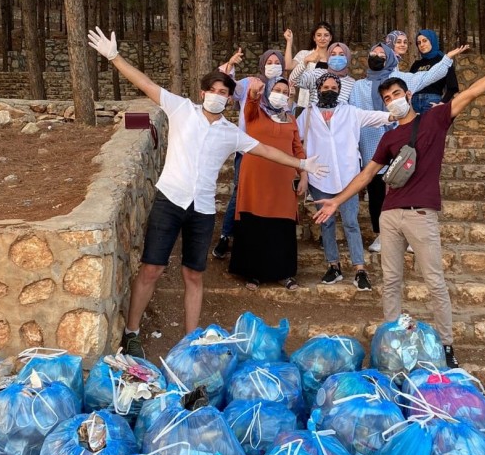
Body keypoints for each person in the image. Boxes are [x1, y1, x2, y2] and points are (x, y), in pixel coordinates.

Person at [87, 27, 328, 358]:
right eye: (212, 90)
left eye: (223, 92)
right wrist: (114, 57)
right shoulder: (181, 109)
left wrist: (302, 164)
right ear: (203, 93)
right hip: (170, 200)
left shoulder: (231, 133)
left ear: (230, 99)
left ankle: (190, 341)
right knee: (151, 269)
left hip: (201, 209)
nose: (217, 95)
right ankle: (131, 332)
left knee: (194, 275)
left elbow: (267, 151)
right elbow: (144, 83)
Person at [313, 41, 485, 369]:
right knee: (391, 280)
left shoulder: (435, 119)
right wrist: (336, 200)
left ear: (408, 96)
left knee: (434, 280)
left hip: (421, 214)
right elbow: (367, 174)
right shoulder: (389, 138)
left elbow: (472, 92)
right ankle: (392, 341)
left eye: (396, 96)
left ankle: (447, 344)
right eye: (386, 99)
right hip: (390, 216)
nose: (392, 102)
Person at [350, 40, 469, 252]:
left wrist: (447, 58)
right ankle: (381, 235)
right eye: (373, 53)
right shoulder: (359, 86)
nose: (376, 56)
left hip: (401, 145)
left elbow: (428, 76)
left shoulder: (400, 80)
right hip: (372, 145)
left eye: (381, 54)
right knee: (377, 193)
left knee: (406, 187)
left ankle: (411, 235)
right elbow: (352, 116)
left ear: (389, 58)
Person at [297, 72, 402, 291]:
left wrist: (398, 114)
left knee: (351, 223)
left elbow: (378, 117)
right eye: (325, 87)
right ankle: (333, 266)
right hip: (319, 178)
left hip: (348, 178)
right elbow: (294, 140)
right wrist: (303, 174)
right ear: (318, 89)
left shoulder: (351, 112)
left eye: (334, 88)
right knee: (326, 224)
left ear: (339, 91)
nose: (329, 90)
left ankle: (359, 269)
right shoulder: (306, 115)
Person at [212, 34, 294, 259]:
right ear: (262, 64)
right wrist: (229, 65)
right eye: (269, 62)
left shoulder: (286, 89)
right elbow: (227, 87)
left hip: (276, 153)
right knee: (240, 192)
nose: (273, 66)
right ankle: (226, 236)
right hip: (248, 149)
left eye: (278, 63)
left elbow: (290, 119)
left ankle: (263, 238)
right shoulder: (250, 83)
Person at [229, 76, 307, 291]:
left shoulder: (290, 119)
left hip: (283, 179)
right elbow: (252, 101)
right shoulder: (255, 113)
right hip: (255, 176)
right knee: (254, 224)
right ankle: (253, 274)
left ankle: (284, 273)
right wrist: (254, 93)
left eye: (285, 91)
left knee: (281, 225)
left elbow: (297, 149)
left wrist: (305, 175)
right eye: (277, 90)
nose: (281, 94)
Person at [289, 41, 355, 106]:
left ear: (348, 57)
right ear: (328, 57)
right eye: (333, 54)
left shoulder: (352, 83)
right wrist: (305, 61)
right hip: (314, 116)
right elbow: (293, 80)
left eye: (341, 54)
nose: (337, 58)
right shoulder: (317, 74)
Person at [287, 21, 333, 111]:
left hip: (329, 106)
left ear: (331, 38)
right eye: (319, 35)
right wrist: (289, 41)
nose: (322, 38)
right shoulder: (305, 54)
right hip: (305, 105)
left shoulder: (334, 58)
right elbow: (288, 66)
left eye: (326, 35)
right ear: (314, 38)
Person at [410, 29, 460, 113]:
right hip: (413, 104)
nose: (422, 45)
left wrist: (442, 103)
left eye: (425, 41)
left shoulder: (444, 60)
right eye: (419, 43)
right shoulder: (416, 64)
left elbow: (452, 87)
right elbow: (408, 86)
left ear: (432, 40)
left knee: (429, 126)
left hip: (432, 102)